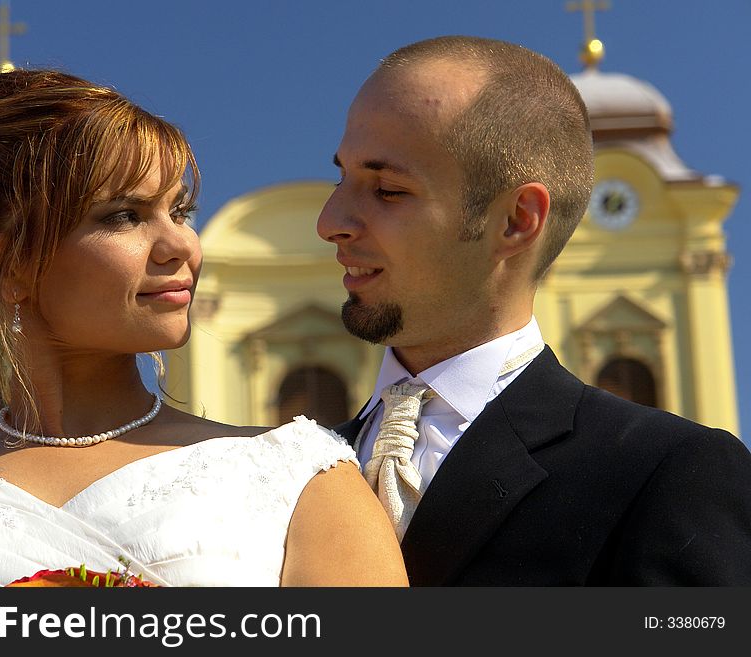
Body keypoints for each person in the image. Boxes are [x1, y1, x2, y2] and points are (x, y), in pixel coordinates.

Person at [0, 69, 408, 587]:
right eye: (124, 216)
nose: (181, 246)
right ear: (2, 263)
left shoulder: (303, 477)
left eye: (180, 210)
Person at [317, 35, 751, 585]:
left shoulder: (668, 471)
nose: (329, 220)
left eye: (387, 189)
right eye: (341, 178)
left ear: (517, 220)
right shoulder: (284, 467)